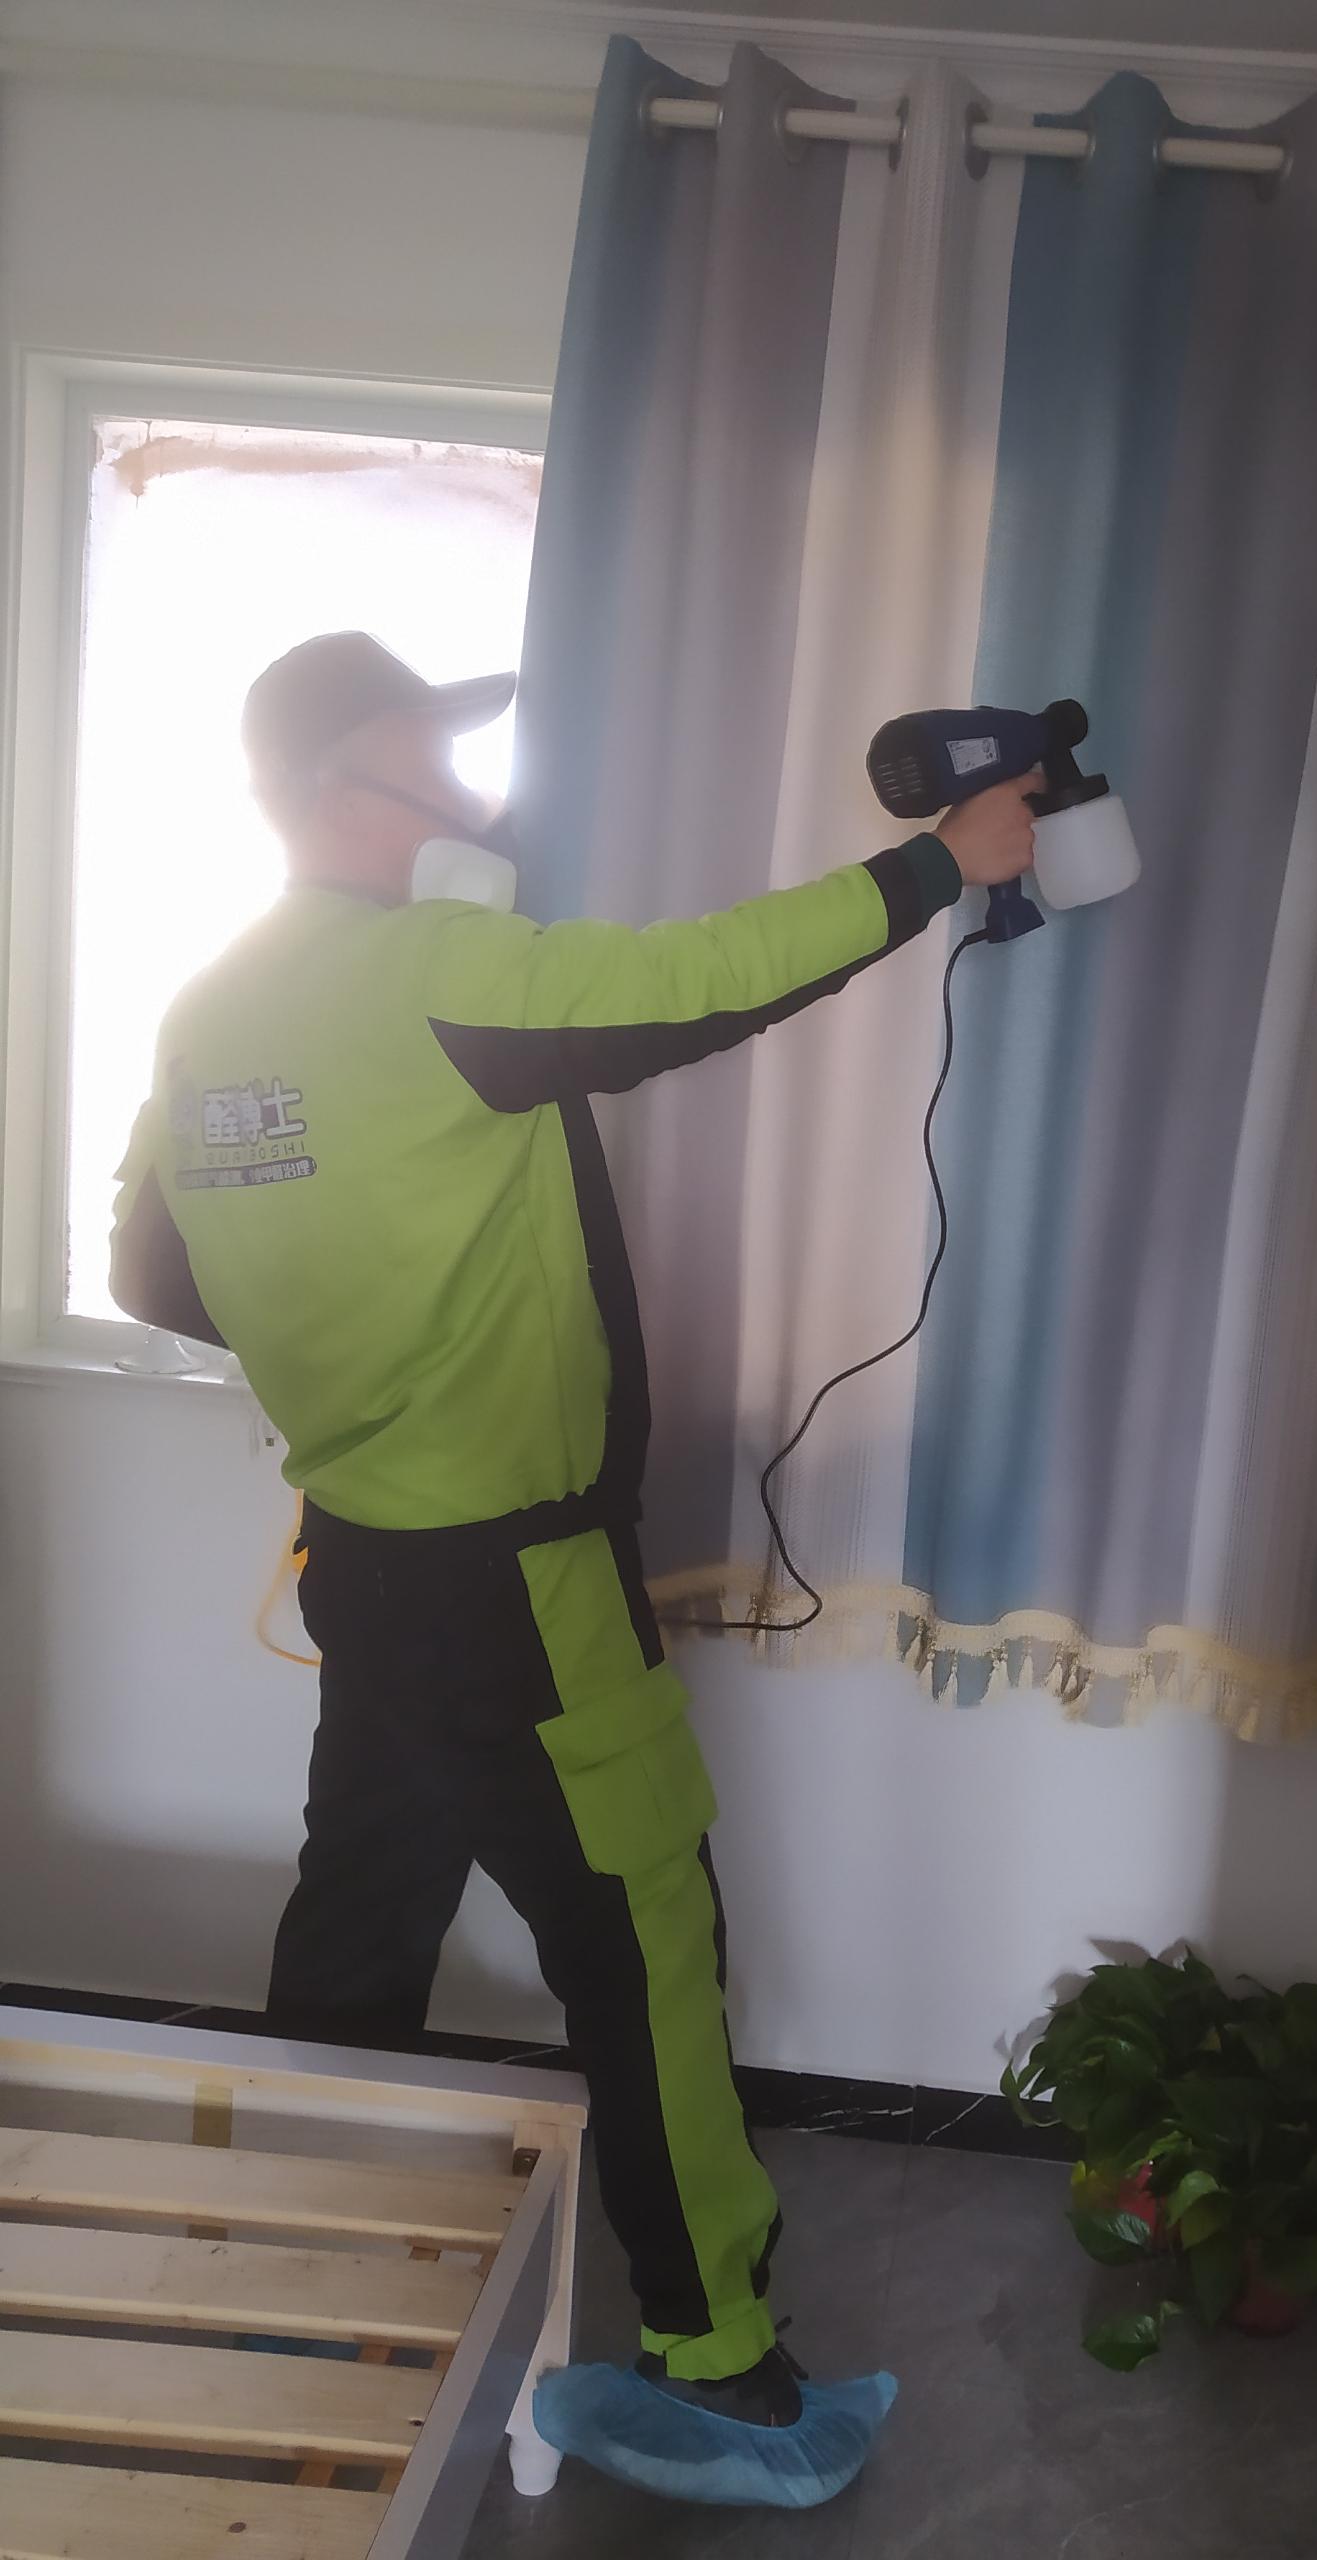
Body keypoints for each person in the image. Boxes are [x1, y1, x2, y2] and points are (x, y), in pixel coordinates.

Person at [109, 631, 1036, 2505]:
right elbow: (701, 983)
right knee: (647, 1947)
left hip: (368, 1565)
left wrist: (357, 1324)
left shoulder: (208, 1010)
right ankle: (724, 2375)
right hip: (524, 1590)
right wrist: (944, 865)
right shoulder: (437, 968)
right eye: (432, 758)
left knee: (359, 1928)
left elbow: (155, 1271)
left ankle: (293, 2288)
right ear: (336, 787)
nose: (471, 792)